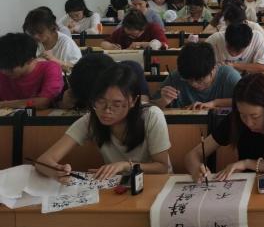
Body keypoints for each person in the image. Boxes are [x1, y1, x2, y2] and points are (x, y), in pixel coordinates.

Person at [35, 63, 171, 181]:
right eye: (100, 101)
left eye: (116, 104)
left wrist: (125, 166)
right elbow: (42, 162)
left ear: (133, 101)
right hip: (118, 186)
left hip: (154, 183)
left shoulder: (151, 116)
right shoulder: (91, 119)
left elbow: (162, 167)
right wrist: (57, 171)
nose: (106, 110)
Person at [185, 73, 264, 181]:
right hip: (249, 188)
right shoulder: (235, 119)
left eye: (255, 116)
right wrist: (196, 168)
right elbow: (192, 155)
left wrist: (247, 164)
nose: (248, 123)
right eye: (243, 115)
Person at [152, 43, 241, 110]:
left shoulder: (229, 76)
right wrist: (163, 101)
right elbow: (150, 107)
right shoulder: (178, 76)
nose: (194, 84)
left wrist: (215, 103)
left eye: (200, 80)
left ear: (213, 68)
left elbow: (245, 102)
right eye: (188, 80)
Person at [58, 53, 148, 110]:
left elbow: (143, 102)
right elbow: (59, 104)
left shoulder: (131, 71)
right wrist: (66, 103)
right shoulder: (79, 78)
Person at [0, 33, 63, 108]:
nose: (3, 71)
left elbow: (43, 102)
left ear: (29, 60)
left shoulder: (50, 68)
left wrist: (4, 104)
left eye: (10, 69)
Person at [102, 10, 168, 50]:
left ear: (143, 29)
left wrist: (142, 44)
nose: (130, 37)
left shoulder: (153, 28)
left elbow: (164, 45)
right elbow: (104, 43)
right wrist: (111, 47)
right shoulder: (122, 30)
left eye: (133, 35)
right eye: (128, 34)